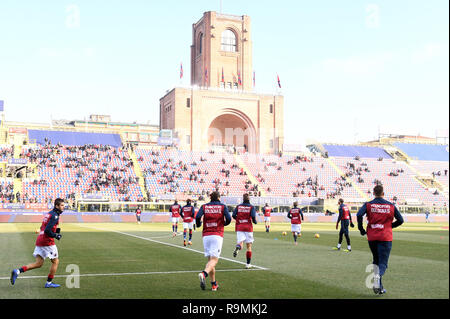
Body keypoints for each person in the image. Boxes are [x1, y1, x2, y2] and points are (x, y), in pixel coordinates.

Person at [357, 184, 404, 295]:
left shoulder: (369, 204)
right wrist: (389, 226)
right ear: (383, 193)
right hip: (385, 237)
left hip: (372, 237)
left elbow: (359, 215)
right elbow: (401, 220)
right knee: (383, 263)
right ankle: (377, 278)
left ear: (374, 193)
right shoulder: (390, 205)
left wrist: (361, 229)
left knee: (376, 260)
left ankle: (379, 288)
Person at [10, 198, 65, 288]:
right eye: (62, 205)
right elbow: (47, 230)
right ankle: (49, 283)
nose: (63, 207)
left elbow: (43, 226)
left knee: (39, 263)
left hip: (40, 239)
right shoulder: (55, 215)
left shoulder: (49, 214)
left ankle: (17, 271)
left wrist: (54, 230)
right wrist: (56, 235)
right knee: (55, 261)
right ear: (56, 206)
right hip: (47, 242)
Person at [195, 191, 231, 291]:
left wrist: (198, 225)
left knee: (210, 261)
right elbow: (228, 218)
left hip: (206, 235)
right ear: (219, 197)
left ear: (210, 198)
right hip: (217, 234)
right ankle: (203, 274)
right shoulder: (223, 206)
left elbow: (198, 217)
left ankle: (214, 284)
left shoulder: (204, 206)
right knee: (214, 260)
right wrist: (224, 223)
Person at [232, 194, 257, 269]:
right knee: (249, 246)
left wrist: (239, 220)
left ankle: (238, 247)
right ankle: (248, 264)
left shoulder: (238, 206)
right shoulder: (251, 207)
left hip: (240, 226)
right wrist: (255, 221)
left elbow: (233, 215)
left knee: (240, 242)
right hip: (248, 227)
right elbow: (253, 216)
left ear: (243, 199)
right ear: (249, 199)